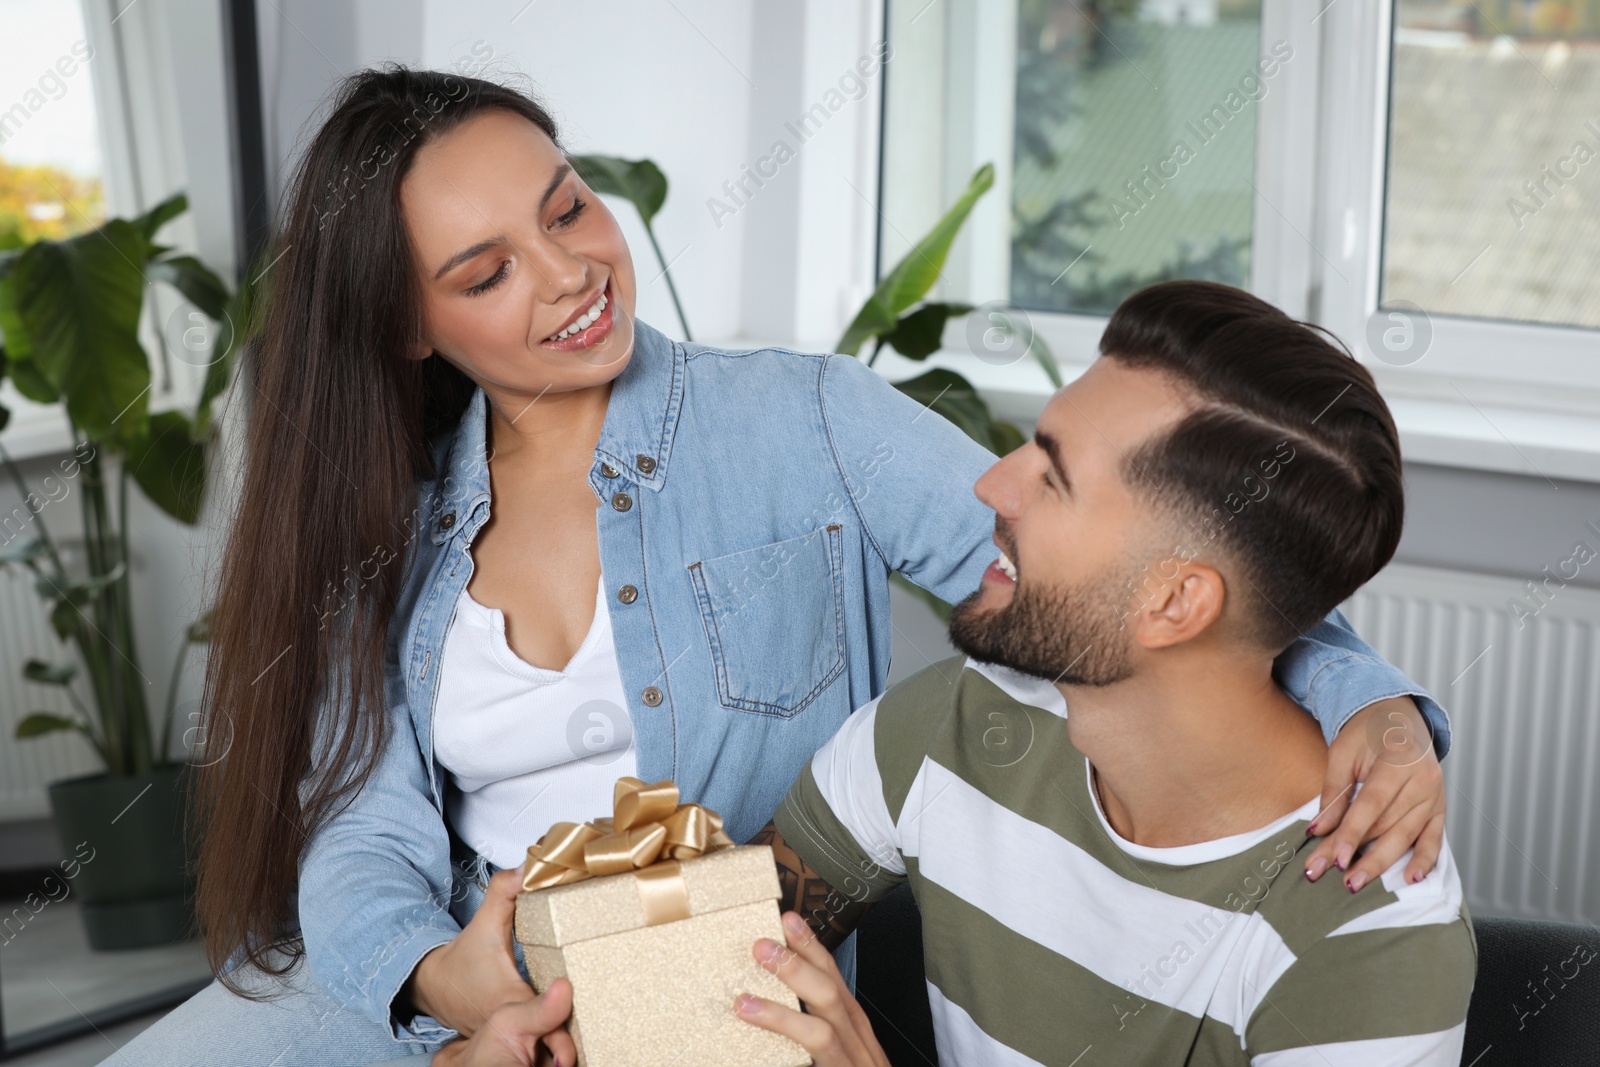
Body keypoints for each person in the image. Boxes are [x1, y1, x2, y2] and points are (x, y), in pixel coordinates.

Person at [111, 67, 1450, 1067]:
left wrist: (1372, 700)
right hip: (443, 974)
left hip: (692, 985)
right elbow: (360, 820)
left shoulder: (813, 418)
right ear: (408, 320)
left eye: (567, 207)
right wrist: (436, 982)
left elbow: (1128, 578)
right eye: (486, 271)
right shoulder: (384, 509)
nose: (572, 270)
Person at [731, 281, 1477, 1065]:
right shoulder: (949, 727)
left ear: (1175, 600)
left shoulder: (1370, 936)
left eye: (1052, 478)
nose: (991, 485)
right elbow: (714, 963)